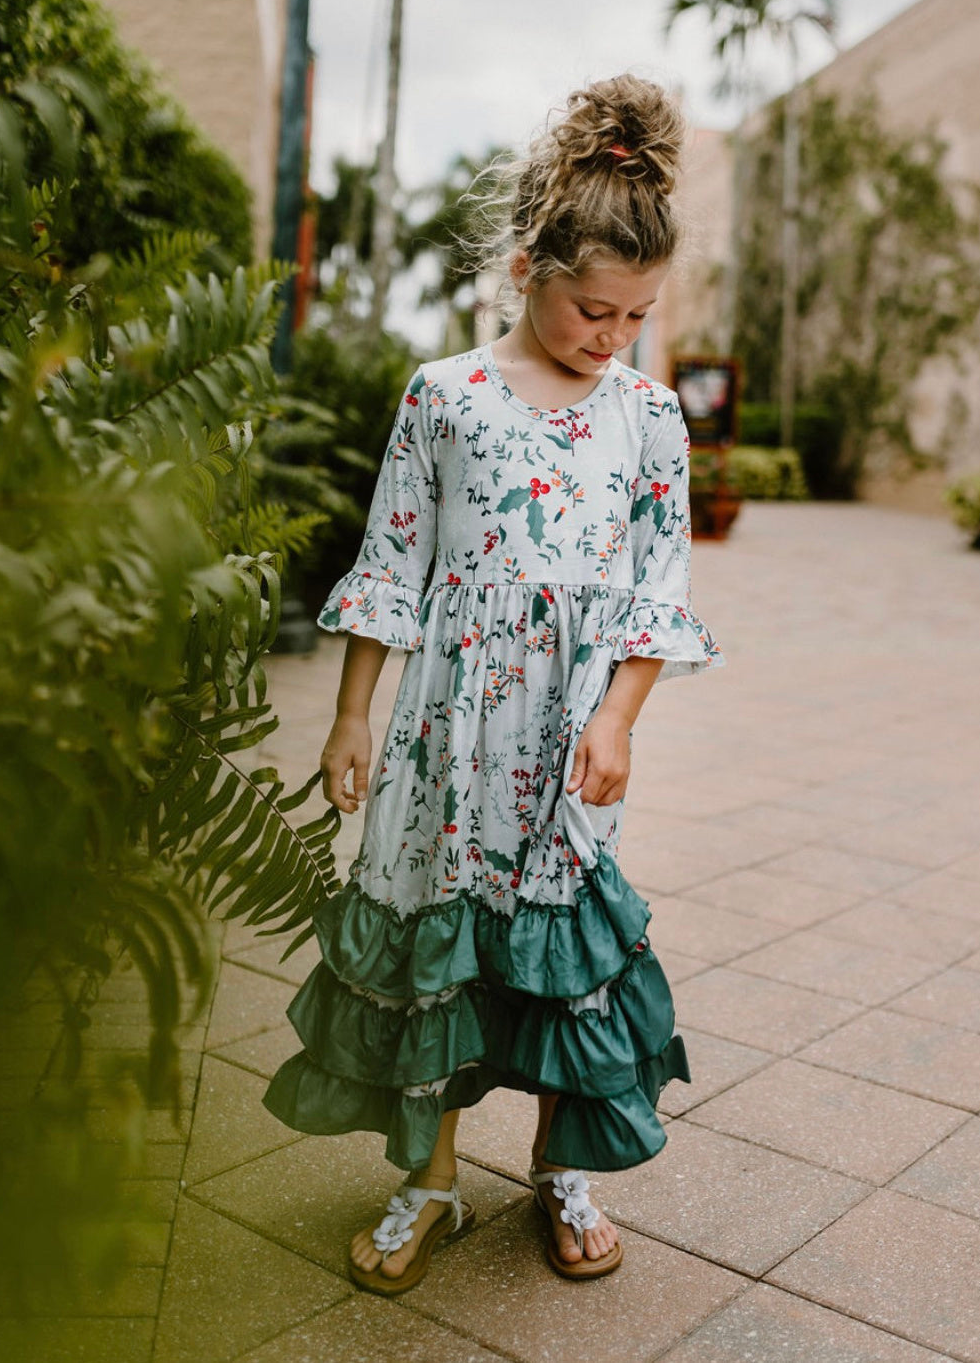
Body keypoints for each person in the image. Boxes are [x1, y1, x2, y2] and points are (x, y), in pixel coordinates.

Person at [263, 73, 723, 1295]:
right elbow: (392, 567)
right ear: (530, 263)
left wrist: (620, 714)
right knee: (441, 953)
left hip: (570, 735)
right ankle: (429, 1180)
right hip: (441, 737)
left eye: (635, 314)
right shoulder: (443, 396)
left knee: (564, 953)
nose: (610, 334)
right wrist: (355, 709)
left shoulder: (651, 418)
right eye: (591, 306)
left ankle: (562, 1174)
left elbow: (654, 590)